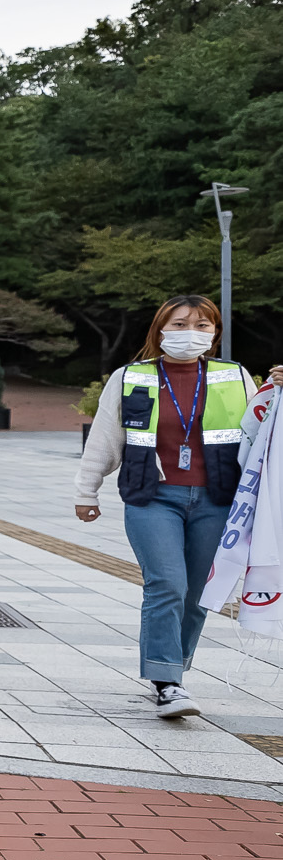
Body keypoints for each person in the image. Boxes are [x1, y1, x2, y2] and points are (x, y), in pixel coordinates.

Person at [73, 295, 283, 720]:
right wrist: (86, 491)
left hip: (216, 500)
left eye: (203, 326)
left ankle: (175, 674)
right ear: (161, 328)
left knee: (196, 594)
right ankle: (166, 682)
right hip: (154, 498)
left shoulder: (235, 375)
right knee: (167, 583)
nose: (192, 332)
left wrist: (277, 391)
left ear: (215, 333)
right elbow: (104, 438)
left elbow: (259, 430)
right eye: (182, 323)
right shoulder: (130, 376)